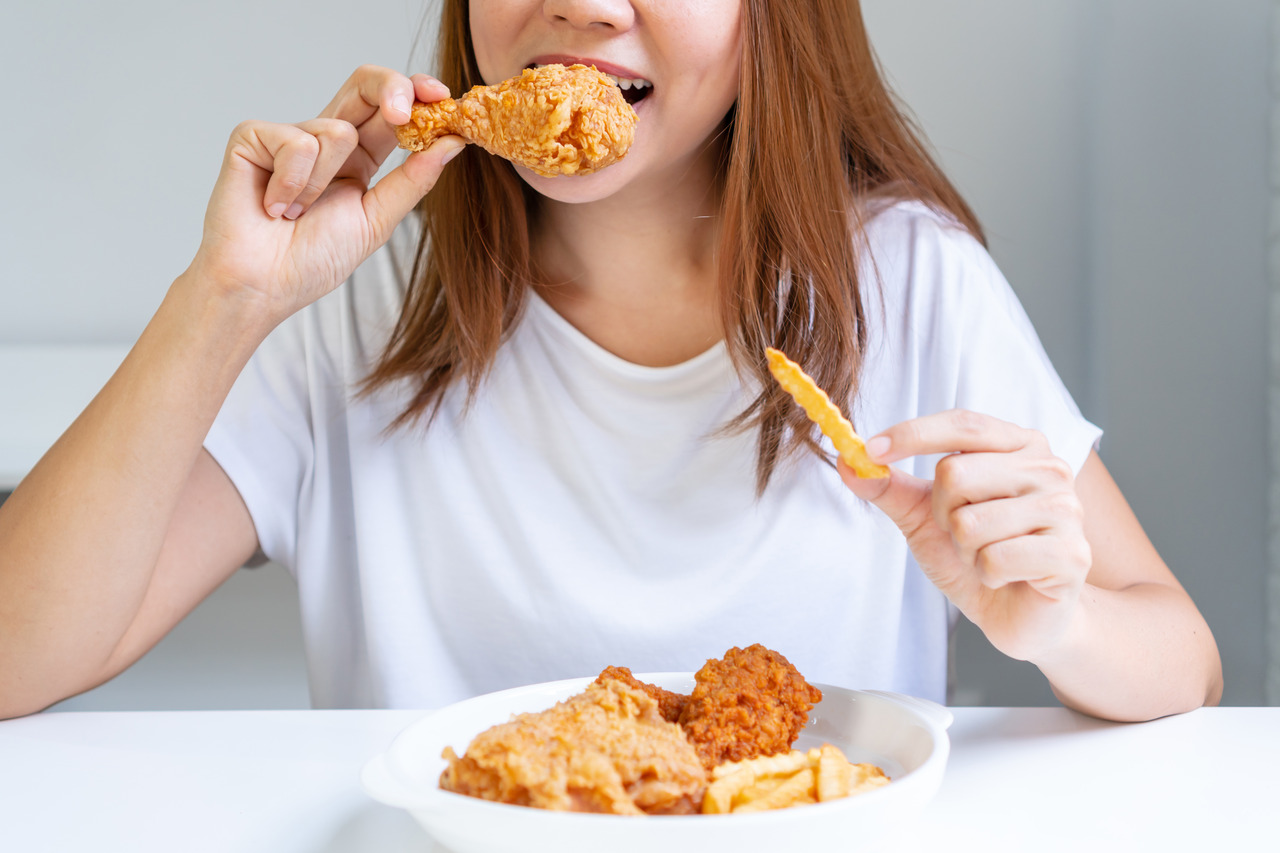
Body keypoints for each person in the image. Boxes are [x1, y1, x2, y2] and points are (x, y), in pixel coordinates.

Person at [0, 0, 1221, 721]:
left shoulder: (903, 285)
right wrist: (222, 296)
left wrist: (1052, 626)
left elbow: (1183, 659)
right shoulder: (361, 300)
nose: (584, 2)